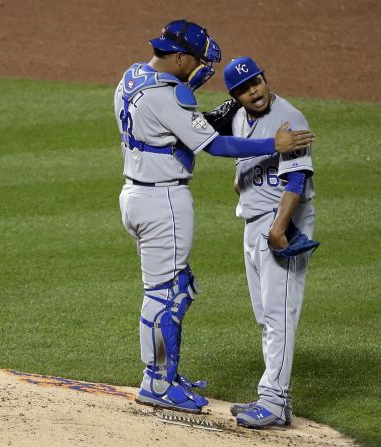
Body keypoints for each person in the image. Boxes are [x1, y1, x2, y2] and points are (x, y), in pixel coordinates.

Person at [114, 21, 315, 414]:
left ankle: (164, 374)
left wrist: (187, 91)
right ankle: (157, 380)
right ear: (179, 57)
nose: (199, 69)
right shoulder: (168, 96)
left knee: (174, 287)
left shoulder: (131, 76)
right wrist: (271, 144)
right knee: (167, 294)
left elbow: (173, 119)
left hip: (136, 192)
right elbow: (214, 143)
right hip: (163, 201)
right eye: (195, 62)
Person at [205, 56, 318, 428]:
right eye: (243, 88)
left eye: (256, 82)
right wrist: (244, 178)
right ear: (235, 95)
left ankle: (273, 400)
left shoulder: (289, 117)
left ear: (265, 78)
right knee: (264, 314)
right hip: (253, 221)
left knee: (278, 314)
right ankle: (276, 400)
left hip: (279, 223)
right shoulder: (239, 116)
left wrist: (279, 227)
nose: (254, 92)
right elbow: (229, 146)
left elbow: (296, 179)